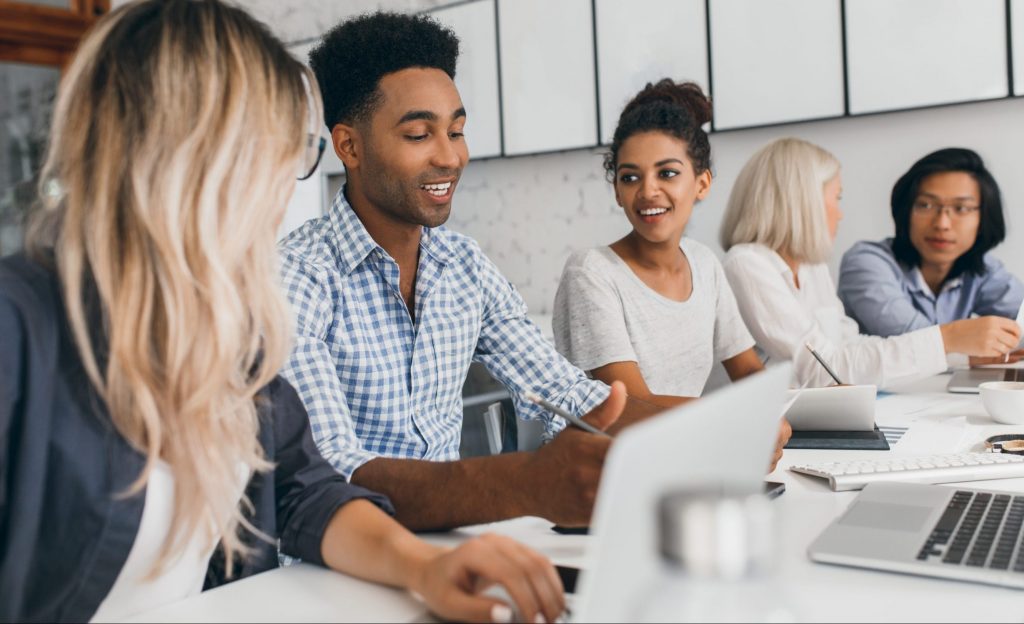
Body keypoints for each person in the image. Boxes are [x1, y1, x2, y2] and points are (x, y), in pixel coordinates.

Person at [0, 2, 565, 622]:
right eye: (274, 154)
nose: (283, 189)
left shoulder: (222, 329)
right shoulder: (18, 325)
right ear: (185, 157)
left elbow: (306, 493)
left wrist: (422, 566)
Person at [278, 10, 665, 532]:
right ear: (349, 146)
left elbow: (568, 396)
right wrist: (524, 483)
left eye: (457, 131)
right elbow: (331, 473)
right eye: (419, 135)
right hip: (331, 574)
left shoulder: (464, 267)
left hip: (446, 550)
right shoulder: (298, 277)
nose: (451, 156)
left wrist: (720, 430)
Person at [550, 79, 789, 466]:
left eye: (667, 173)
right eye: (630, 177)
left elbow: (747, 370)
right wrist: (736, 423)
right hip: (606, 473)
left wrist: (770, 414)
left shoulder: (705, 264)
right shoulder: (592, 272)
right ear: (616, 191)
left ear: (702, 183)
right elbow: (629, 407)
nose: (647, 191)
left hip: (688, 454)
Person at [719, 138, 1021, 389]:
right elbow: (822, 369)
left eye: (961, 208)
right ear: (803, 203)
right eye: (837, 198)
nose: (840, 214)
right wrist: (950, 339)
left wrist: (961, 354)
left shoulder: (812, 267)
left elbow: (847, 345)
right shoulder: (747, 264)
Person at [838, 148, 1024, 361]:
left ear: (983, 218)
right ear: (905, 211)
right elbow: (912, 339)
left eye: (961, 208)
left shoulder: (984, 270)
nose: (942, 223)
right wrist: (968, 349)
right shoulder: (865, 262)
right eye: (925, 205)